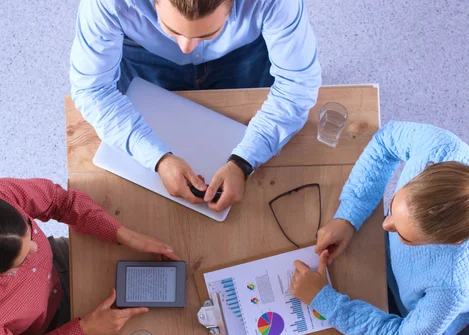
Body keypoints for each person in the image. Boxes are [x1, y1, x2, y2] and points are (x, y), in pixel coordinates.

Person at [69, 0, 321, 213]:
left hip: (240, 55)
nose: (186, 47)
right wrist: (157, 159)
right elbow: (93, 89)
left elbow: (297, 86)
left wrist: (245, 160)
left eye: (206, 34)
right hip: (144, 55)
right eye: (170, 29)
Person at [289, 121, 469, 335]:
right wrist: (349, 216)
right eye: (393, 207)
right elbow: (386, 140)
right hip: (399, 271)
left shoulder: (453, 287)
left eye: (404, 236)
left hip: (415, 309)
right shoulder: (442, 147)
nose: (384, 224)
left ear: (451, 242)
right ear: (427, 169)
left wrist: (326, 302)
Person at [0, 178, 180, 335]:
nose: (35, 249)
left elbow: (60, 200)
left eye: (30, 233)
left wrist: (123, 234)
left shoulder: (4, 196)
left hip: (58, 264)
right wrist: (85, 331)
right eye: (20, 263)